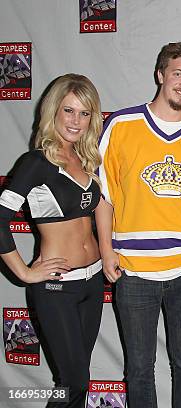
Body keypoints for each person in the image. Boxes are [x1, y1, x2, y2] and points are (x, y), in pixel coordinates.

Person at [96, 43, 181, 408]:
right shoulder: (121, 125)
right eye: (178, 73)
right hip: (134, 269)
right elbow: (105, 196)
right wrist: (106, 251)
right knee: (139, 368)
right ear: (160, 75)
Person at [0, 73, 104, 407]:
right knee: (73, 380)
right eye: (69, 111)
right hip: (57, 286)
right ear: (53, 112)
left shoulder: (86, 159)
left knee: (78, 379)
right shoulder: (36, 164)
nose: (76, 121)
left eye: (84, 113)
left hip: (93, 282)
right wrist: (25, 273)